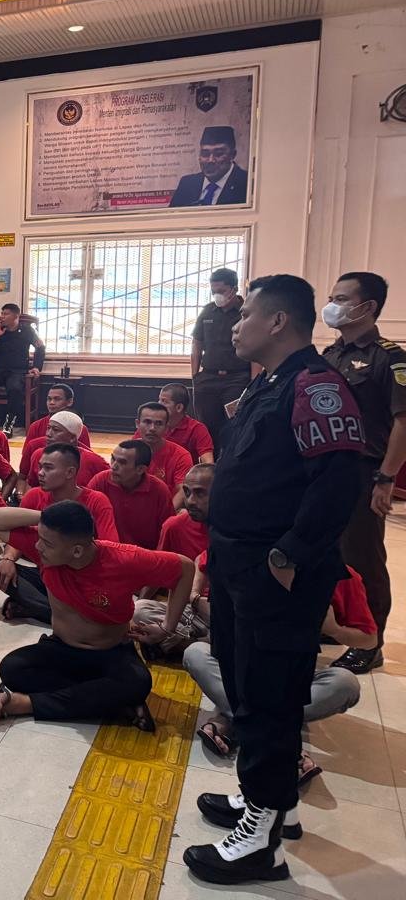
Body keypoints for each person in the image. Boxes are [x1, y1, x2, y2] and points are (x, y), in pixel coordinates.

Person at [183, 274, 364, 886]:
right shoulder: (270, 383)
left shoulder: (316, 385)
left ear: (278, 321)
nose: (235, 325)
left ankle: (260, 844)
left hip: (274, 574)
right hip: (240, 566)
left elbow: (337, 483)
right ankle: (268, 801)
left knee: (271, 697)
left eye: (247, 315)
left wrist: (288, 557)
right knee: (247, 688)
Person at [0, 501, 194, 731]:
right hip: (62, 648)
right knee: (12, 669)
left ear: (76, 550)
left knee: (139, 683)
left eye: (46, 543)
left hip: (111, 652)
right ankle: (112, 703)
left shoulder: (125, 559)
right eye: (40, 538)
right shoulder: (47, 549)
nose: (37, 546)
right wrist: (47, 517)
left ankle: (26, 704)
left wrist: (166, 628)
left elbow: (185, 569)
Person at [185, 566, 376, 787]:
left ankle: (236, 720)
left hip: (292, 682)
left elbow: (369, 639)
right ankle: (280, 740)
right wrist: (195, 596)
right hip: (240, 671)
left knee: (345, 683)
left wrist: (335, 630)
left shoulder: (339, 574)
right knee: (195, 654)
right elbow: (204, 561)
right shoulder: (244, 556)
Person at [321, 271, 406, 673]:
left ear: (368, 307)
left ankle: (371, 643)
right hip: (326, 472)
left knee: (363, 558)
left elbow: (403, 423)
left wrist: (385, 479)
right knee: (326, 551)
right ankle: (334, 624)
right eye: (332, 297)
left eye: (341, 298)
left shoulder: (390, 358)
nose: (332, 305)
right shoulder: (330, 355)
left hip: (364, 472)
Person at [0, 444, 119, 625]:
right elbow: (3, 526)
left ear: (70, 472)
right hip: (47, 573)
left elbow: (109, 550)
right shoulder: (34, 496)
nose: (40, 473)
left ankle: (42, 610)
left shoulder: (96, 500)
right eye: (40, 467)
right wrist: (8, 558)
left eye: (48, 468)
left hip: (81, 579)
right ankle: (64, 615)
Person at [192, 267, 252, 453]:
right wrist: (195, 375)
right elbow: (197, 343)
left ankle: (230, 462)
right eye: (213, 291)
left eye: (221, 290)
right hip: (208, 378)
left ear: (234, 289)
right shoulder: (207, 312)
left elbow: (255, 348)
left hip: (237, 379)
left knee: (235, 425)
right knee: (206, 426)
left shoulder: (247, 312)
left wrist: (253, 382)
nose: (217, 295)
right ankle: (208, 465)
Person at [86, 440, 172, 550]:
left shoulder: (160, 491)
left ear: (140, 469)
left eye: (122, 462)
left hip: (145, 555)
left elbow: (167, 534)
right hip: (106, 552)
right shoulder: (100, 481)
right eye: (113, 459)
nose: (113, 466)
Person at [0, 302, 44, 430]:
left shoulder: (27, 330)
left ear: (16, 316)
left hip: (18, 371)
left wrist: (36, 367)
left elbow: (40, 348)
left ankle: (9, 423)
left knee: (14, 389)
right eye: (2, 313)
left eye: (6, 314)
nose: (2, 316)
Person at [21, 412, 108, 491]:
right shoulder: (38, 455)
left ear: (72, 438)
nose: (48, 434)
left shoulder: (94, 461)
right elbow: (31, 484)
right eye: (48, 428)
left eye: (55, 430)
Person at [168, 126, 249, 207]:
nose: (210, 160)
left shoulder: (246, 183)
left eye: (218, 154)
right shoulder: (187, 183)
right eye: (205, 154)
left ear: (232, 155)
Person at [136, 401, 194, 497]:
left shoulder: (181, 456)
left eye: (158, 423)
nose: (152, 428)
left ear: (167, 428)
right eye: (147, 422)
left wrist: (169, 507)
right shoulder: (127, 452)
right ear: (137, 424)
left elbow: (182, 491)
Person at [157, 464, 213, 560]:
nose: (190, 501)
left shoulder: (236, 529)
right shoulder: (174, 527)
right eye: (187, 492)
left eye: (200, 493)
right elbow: (162, 566)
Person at [154, 383, 215, 462]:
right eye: (159, 400)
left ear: (179, 407)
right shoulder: (152, 424)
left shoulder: (197, 429)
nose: (159, 404)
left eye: (164, 401)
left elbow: (208, 462)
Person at [26, 383, 92, 446]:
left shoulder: (80, 428)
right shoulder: (36, 426)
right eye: (49, 399)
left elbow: (85, 452)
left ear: (70, 402)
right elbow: (28, 452)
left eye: (57, 399)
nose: (51, 402)